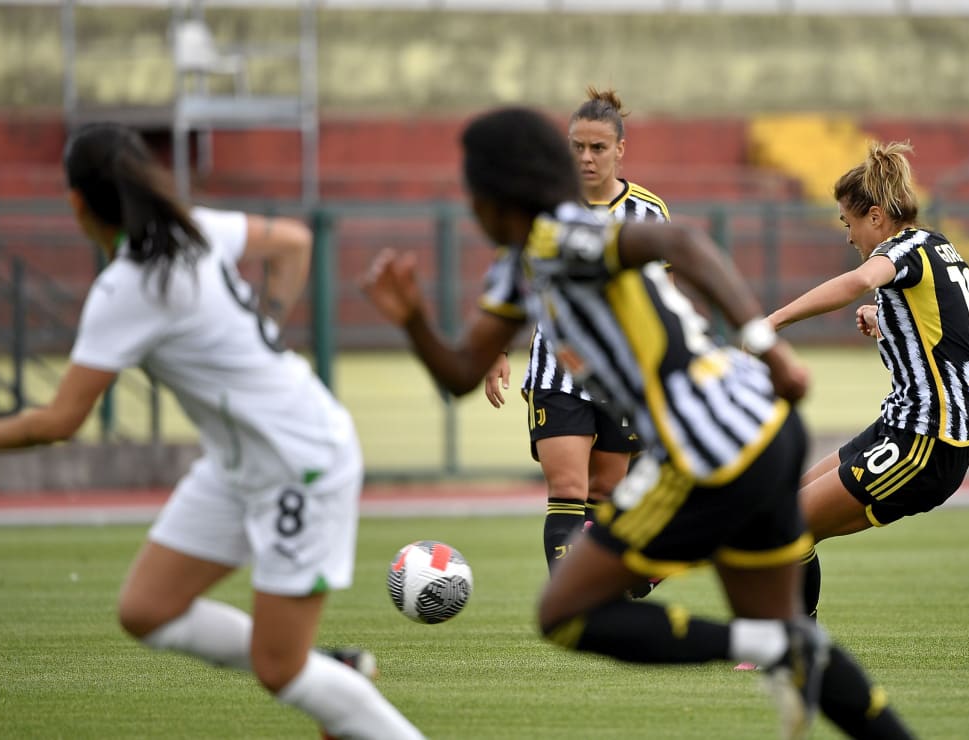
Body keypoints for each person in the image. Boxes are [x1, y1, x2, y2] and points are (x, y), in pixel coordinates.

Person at [361, 106, 915, 740]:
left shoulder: (561, 235)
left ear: (496, 192)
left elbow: (679, 243)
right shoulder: (518, 265)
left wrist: (765, 342)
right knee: (788, 640)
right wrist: (411, 320)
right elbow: (462, 371)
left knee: (566, 613)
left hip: (709, 443)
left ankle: (770, 644)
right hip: (759, 428)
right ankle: (796, 657)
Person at [0, 123, 424, 739]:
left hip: (301, 463)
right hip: (241, 463)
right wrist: (266, 328)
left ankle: (336, 688)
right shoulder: (198, 228)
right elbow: (293, 243)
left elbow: (59, 421)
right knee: (147, 610)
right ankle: (331, 673)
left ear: (77, 203)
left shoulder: (127, 288)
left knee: (279, 671)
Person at [765, 141, 969, 623]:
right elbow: (949, 329)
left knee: (789, 524)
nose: (849, 237)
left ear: (878, 217)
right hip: (902, 429)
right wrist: (887, 323)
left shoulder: (902, 250)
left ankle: (797, 643)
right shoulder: (937, 246)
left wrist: (773, 321)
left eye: (849, 223)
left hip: (927, 441)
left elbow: (856, 282)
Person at [482, 87, 670, 574]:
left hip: (621, 380)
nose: (586, 158)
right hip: (555, 374)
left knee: (606, 493)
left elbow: (664, 297)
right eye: (577, 147)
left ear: (620, 150)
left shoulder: (648, 213)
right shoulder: (541, 211)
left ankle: (607, 587)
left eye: (598, 148)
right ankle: (573, 596)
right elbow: (513, 287)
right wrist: (496, 349)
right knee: (568, 488)